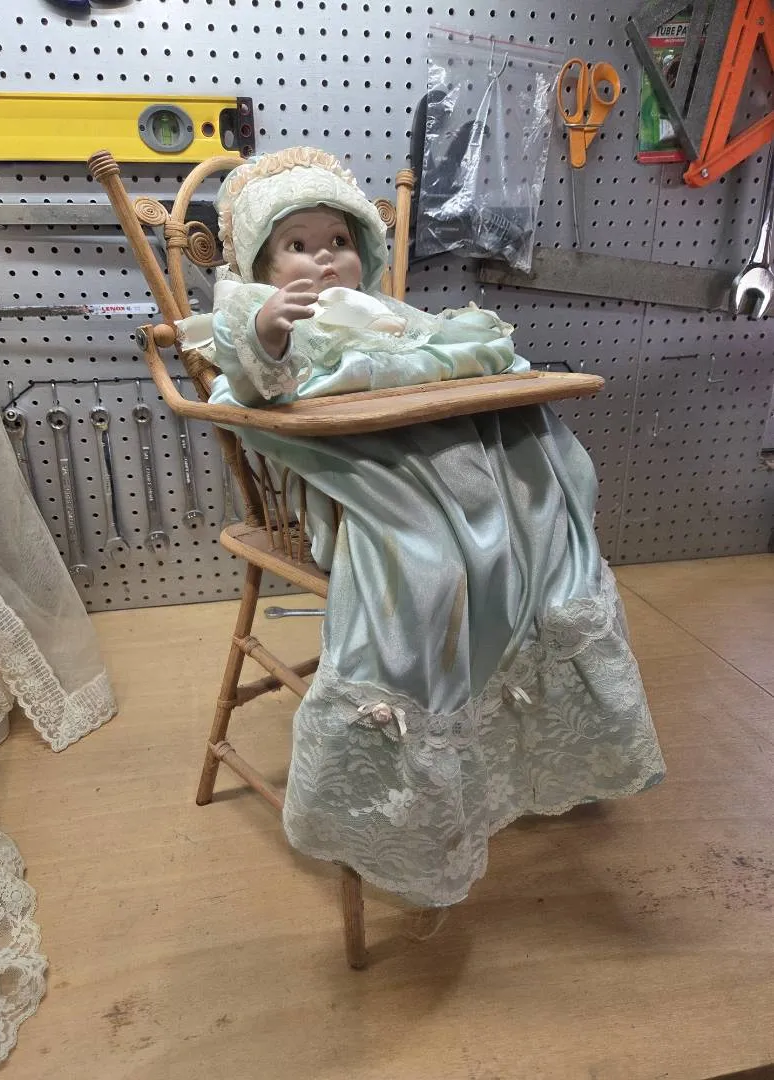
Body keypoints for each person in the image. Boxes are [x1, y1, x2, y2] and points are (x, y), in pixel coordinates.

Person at [177, 147, 665, 909]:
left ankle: (519, 569)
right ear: (263, 263)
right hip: (362, 466)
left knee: (537, 481)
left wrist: (455, 361)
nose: (323, 260)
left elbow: (452, 349)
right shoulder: (270, 315)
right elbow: (256, 385)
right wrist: (268, 329)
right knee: (433, 562)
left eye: (339, 241)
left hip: (443, 438)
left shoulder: (385, 311)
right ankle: (410, 785)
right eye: (297, 245)